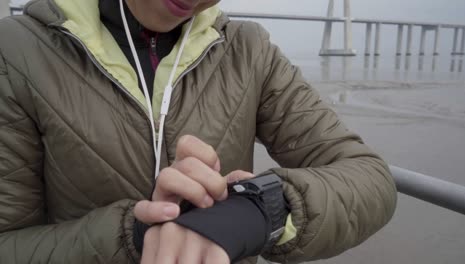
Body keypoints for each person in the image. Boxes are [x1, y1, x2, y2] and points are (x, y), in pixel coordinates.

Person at [0, 0, 397, 263]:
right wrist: (134, 236)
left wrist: (260, 210)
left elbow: (370, 177)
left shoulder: (248, 50)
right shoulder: (18, 51)